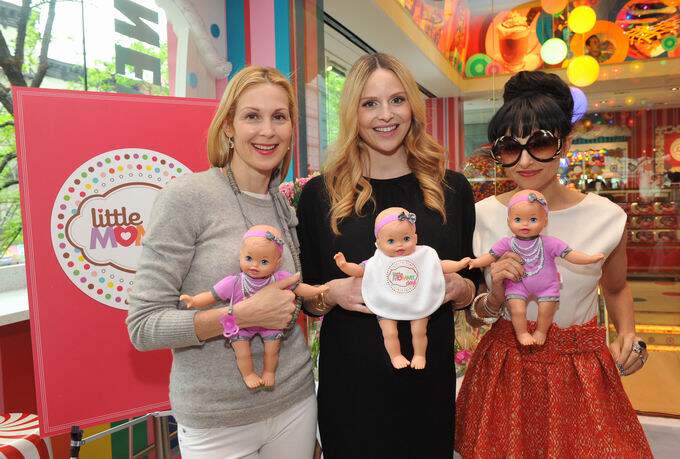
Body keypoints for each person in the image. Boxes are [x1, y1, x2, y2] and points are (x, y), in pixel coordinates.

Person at [455, 71, 652, 458]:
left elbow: (615, 288)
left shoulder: (606, 217)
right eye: (510, 148)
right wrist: (493, 296)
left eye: (541, 143)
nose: (525, 161)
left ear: (566, 142)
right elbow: (476, 315)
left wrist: (629, 334)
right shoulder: (481, 217)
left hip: (581, 372)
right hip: (505, 370)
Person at [126, 66, 316, 459]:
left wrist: (331, 295)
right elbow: (144, 327)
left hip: (294, 401)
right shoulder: (187, 197)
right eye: (252, 116)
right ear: (228, 126)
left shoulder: (282, 203)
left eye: (279, 117)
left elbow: (287, 297)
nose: (268, 131)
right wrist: (238, 316)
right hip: (216, 420)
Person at [296, 53, 479, 458]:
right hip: (352, 386)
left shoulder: (451, 189)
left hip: (427, 381)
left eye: (397, 100)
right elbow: (307, 297)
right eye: (370, 103)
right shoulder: (320, 195)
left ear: (412, 106)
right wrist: (332, 293)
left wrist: (460, 288)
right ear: (353, 113)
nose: (386, 115)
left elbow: (472, 286)